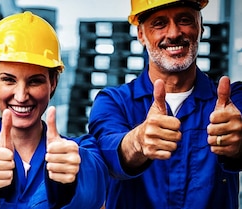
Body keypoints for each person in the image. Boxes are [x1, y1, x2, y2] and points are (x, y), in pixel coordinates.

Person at [89, 0, 242, 208]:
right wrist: (138, 141)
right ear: (141, 34)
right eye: (159, 23)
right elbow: (106, 155)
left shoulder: (233, 101)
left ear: (201, 26)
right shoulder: (113, 102)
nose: (173, 33)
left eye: (185, 20)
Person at [0, 11, 107, 208]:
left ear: (53, 82)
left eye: (35, 81)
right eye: (8, 80)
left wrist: (70, 178)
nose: (21, 96)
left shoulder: (82, 150)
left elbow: (94, 182)